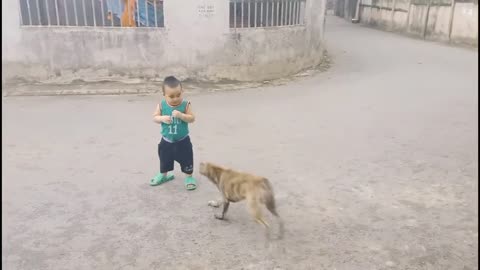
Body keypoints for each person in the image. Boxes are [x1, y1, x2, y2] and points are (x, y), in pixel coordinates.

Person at [150, 76, 197, 190]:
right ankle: (163, 175)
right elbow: (154, 118)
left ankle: (189, 177)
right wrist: (162, 118)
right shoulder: (161, 105)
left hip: (182, 140)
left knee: (187, 159)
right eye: (171, 96)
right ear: (164, 95)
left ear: (182, 92)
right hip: (167, 140)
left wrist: (181, 115)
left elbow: (192, 118)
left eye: (178, 95)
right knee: (164, 158)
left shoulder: (185, 104)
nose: (175, 98)